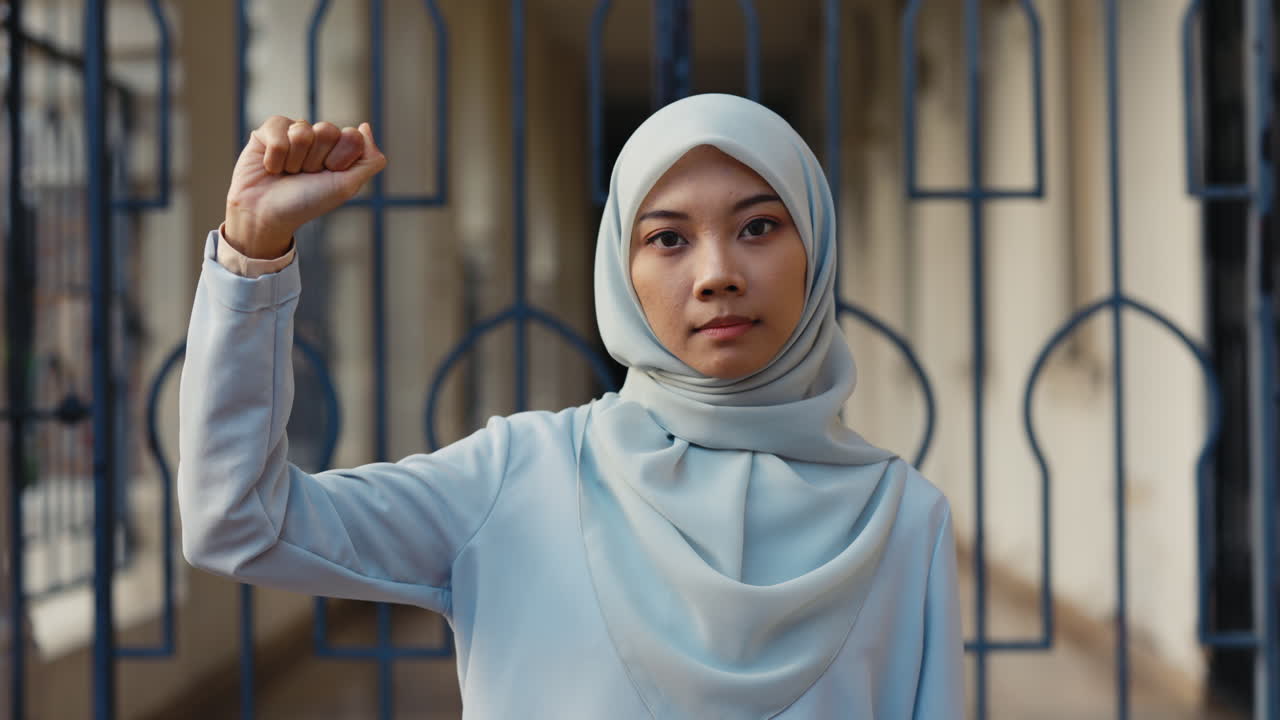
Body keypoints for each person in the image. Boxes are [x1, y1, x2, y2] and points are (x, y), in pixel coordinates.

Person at [178, 93, 964, 719]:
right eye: (667, 238)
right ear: (621, 271)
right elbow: (239, 520)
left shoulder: (902, 520)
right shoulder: (522, 477)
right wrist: (252, 257)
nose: (718, 272)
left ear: (817, 250)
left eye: (759, 226)